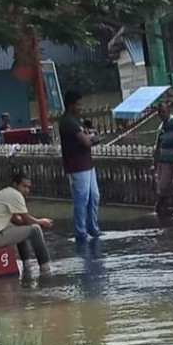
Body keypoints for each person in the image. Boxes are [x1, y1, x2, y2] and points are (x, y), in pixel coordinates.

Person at [0, 170, 53, 273]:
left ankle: (27, 265)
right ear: (15, 184)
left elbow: (17, 221)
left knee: (21, 228)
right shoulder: (15, 195)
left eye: (28, 187)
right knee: (35, 229)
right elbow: (28, 220)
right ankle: (46, 269)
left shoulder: (5, 193)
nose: (26, 190)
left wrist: (32, 223)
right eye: (24, 186)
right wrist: (42, 221)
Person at [59, 90, 100, 241]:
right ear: (70, 106)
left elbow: (91, 137)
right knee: (81, 199)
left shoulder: (78, 121)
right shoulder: (67, 122)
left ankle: (93, 228)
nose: (81, 107)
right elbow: (87, 141)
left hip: (88, 164)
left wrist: (91, 136)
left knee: (94, 196)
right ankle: (81, 231)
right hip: (76, 166)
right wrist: (91, 136)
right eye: (78, 104)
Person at [153, 101, 173, 217]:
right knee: (163, 186)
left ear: (169, 111)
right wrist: (154, 162)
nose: (162, 114)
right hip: (164, 161)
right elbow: (158, 145)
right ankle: (160, 208)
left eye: (163, 112)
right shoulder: (161, 127)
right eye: (160, 113)